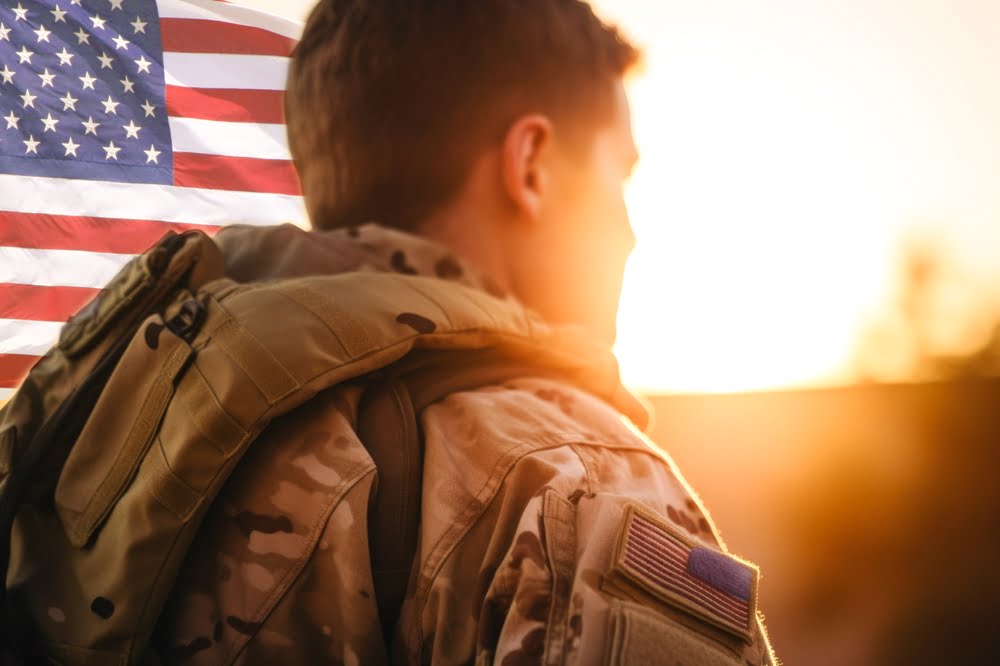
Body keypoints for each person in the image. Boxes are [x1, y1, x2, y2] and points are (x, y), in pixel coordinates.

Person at [149, 1, 777, 663]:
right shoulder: (577, 480)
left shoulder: (164, 405)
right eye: (619, 175)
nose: (630, 231)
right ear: (531, 165)